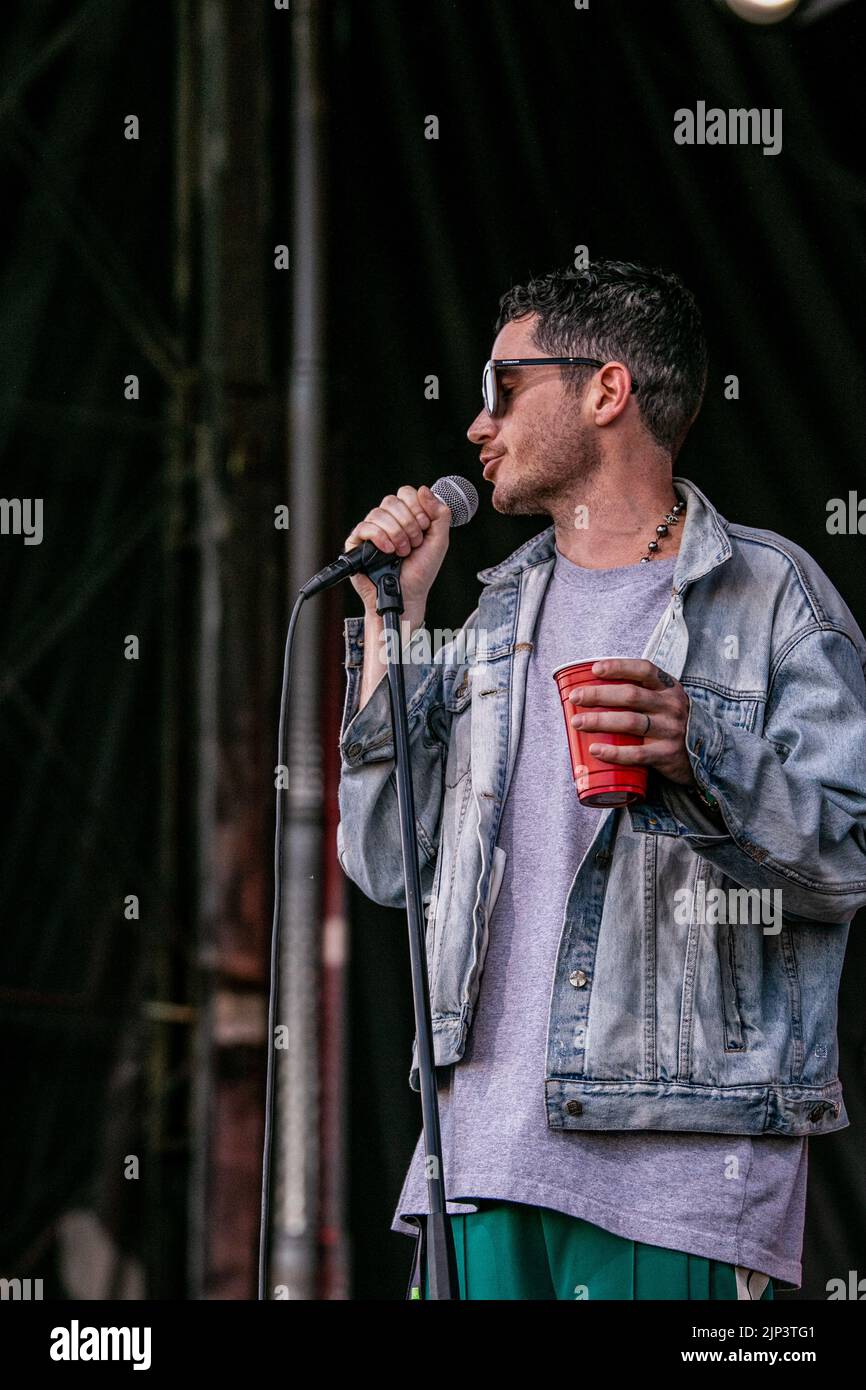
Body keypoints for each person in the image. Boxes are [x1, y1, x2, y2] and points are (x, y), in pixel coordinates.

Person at [335, 259, 866, 1300]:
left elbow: (844, 861)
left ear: (605, 390)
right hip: (475, 1161)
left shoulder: (770, 599)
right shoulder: (492, 615)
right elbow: (385, 861)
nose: (476, 426)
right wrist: (385, 622)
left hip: (674, 1167)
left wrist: (697, 751)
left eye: (502, 389)